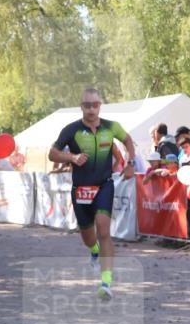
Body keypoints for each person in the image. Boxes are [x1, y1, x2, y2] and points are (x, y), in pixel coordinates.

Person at [49, 86, 136, 301]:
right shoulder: (71, 130)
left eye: (95, 105)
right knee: (88, 236)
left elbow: (127, 140)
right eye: (87, 105)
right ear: (81, 107)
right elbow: (52, 154)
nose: (91, 109)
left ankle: (106, 282)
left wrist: (130, 163)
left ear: (100, 106)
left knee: (104, 230)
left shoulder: (111, 127)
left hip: (104, 185)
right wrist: (71, 158)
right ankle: (94, 250)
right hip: (81, 189)